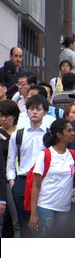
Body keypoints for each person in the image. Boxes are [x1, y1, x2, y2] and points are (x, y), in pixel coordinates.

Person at [6, 95, 49, 237]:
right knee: (23, 224)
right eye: (31, 109)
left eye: (38, 109)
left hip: (44, 182)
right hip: (22, 181)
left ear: (45, 112)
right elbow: (11, 161)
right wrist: (13, 183)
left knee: (43, 223)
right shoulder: (18, 135)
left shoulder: (50, 134)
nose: (35, 112)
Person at [28, 118, 75, 237]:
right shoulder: (45, 154)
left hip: (65, 207)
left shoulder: (73, 154)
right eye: (69, 130)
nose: (73, 133)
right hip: (46, 205)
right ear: (59, 134)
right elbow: (36, 185)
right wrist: (33, 214)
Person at [0, 100, 21, 238]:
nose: (2, 119)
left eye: (6, 116)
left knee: (17, 221)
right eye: (0, 115)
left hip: (16, 177)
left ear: (14, 116)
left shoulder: (21, 133)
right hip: (3, 179)